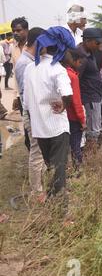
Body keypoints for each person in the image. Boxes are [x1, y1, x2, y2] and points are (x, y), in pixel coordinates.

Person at [23, 26, 75, 198]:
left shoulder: (30, 69)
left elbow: (27, 104)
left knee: (51, 168)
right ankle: (61, 213)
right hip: (57, 128)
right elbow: (67, 93)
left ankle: (51, 204)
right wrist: (63, 105)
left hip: (39, 129)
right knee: (59, 171)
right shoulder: (57, 69)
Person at [15, 27, 46, 202]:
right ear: (38, 42)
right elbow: (26, 94)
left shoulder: (32, 60)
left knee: (41, 150)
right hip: (31, 112)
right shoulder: (24, 64)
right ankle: (36, 192)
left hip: (36, 112)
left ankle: (40, 186)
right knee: (36, 151)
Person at [78, 28, 102, 143]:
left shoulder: (90, 53)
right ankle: (91, 158)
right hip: (90, 98)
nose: (99, 46)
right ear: (87, 41)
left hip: (95, 96)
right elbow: (76, 78)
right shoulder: (82, 57)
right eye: (97, 43)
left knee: (94, 130)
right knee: (93, 132)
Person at [62, 49, 86, 172]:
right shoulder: (73, 76)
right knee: (76, 145)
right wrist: (82, 120)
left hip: (64, 116)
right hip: (73, 117)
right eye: (80, 63)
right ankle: (78, 170)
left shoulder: (61, 72)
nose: (81, 65)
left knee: (67, 145)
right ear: (74, 61)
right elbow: (76, 101)